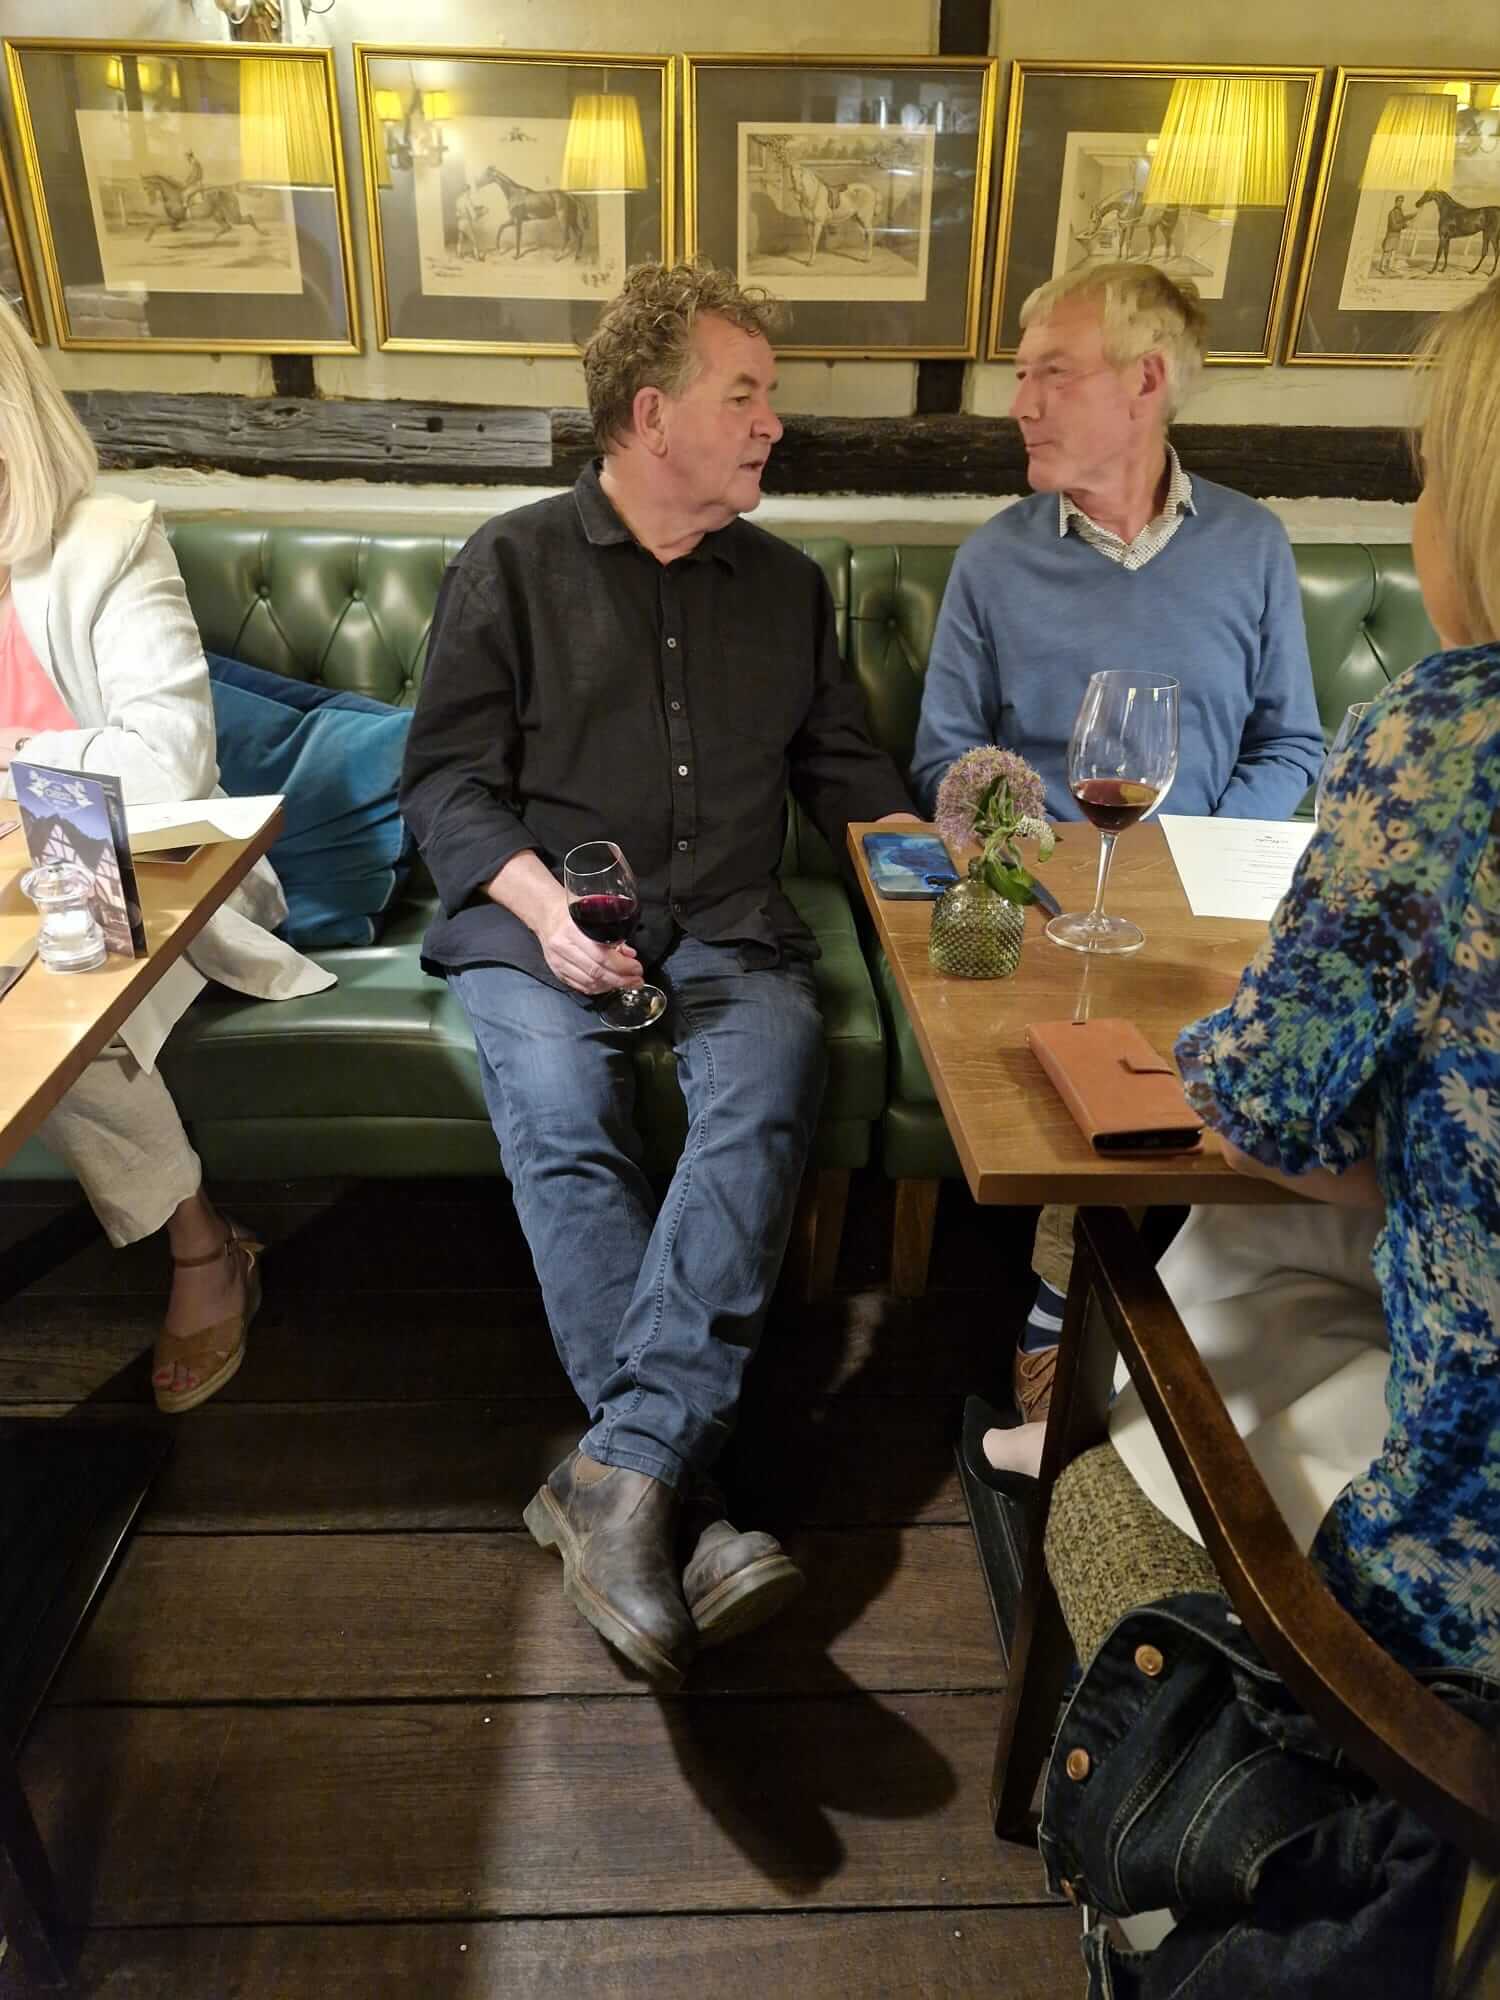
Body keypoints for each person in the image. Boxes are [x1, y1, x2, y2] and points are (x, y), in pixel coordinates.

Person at [978, 275, 1500, 1689]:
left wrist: (1208, 880)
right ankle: (1059, 1354)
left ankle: (1073, 1384)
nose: (1417, 514)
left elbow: (1264, 1107)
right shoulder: (991, 557)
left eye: (1431, 475)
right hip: (1088, 892)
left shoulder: (1446, 743)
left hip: (1454, 1555)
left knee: (1129, 1116)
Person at [399, 260, 913, 1691]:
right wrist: (541, 912)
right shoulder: (508, 563)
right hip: (540, 926)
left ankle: (616, 1479)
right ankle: (688, 1502)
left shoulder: (791, 587)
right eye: (743, 396)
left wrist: (962, 859)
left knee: (767, 1087)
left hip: (733, 927)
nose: (772, 425)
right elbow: (442, 783)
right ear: (649, 415)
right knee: (564, 1115)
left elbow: (846, 777)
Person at [914, 262, 1324, 1438]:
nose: (1018, 401)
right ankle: (1066, 1315)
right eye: (1021, 373)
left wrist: (1187, 861)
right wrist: (1026, 842)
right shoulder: (996, 559)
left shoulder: (1251, 544)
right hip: (1050, 898)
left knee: (1253, 1029)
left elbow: (1291, 741)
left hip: (1206, 893)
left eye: (1050, 372)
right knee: (1095, 1023)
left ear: (1145, 382)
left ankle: (1199, 1334)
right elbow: (946, 753)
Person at [0, 298, 334, 1412]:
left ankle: (202, 1248)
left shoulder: (107, 539)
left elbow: (169, 762)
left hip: (160, 873)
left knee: (54, 994)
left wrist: (12, 763)